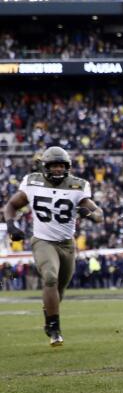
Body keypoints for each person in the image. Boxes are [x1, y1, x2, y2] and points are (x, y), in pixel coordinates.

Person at [3, 146, 103, 346]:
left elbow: (99, 215)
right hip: (43, 240)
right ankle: (55, 329)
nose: (57, 169)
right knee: (50, 278)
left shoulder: (78, 186)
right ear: (45, 167)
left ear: (67, 167)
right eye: (53, 166)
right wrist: (12, 225)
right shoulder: (33, 182)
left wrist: (90, 215)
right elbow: (12, 205)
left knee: (60, 288)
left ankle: (49, 316)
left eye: (61, 166)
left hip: (67, 244)